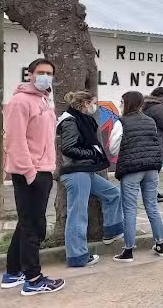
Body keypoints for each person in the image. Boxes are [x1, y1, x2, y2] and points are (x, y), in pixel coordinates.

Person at [1, 58, 65, 295]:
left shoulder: (45, 101)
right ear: (30, 74)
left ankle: (13, 272)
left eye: (49, 73)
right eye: (41, 72)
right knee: (34, 227)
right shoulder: (20, 102)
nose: (45, 76)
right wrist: (30, 174)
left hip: (44, 169)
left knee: (26, 223)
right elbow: (15, 141)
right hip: (30, 173)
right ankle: (34, 279)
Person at [57, 91, 124, 268]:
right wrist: (91, 154)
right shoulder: (70, 121)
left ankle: (112, 231)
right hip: (76, 171)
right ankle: (77, 256)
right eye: (92, 103)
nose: (94, 107)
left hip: (85, 170)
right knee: (78, 215)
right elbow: (68, 148)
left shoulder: (82, 119)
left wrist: (91, 157)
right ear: (85, 103)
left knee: (112, 193)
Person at [113, 91, 163, 262]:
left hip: (131, 169)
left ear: (127, 103)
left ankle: (128, 250)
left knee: (129, 209)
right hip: (151, 168)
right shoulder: (150, 121)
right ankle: (160, 243)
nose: (120, 105)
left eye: (122, 102)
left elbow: (114, 147)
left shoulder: (121, 122)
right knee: (152, 206)